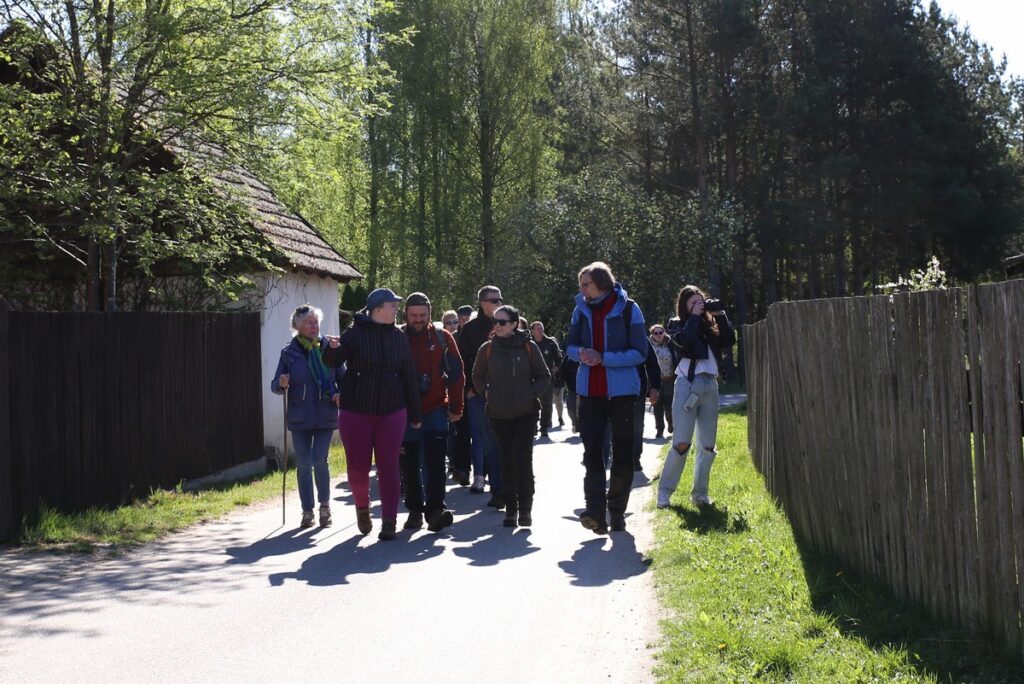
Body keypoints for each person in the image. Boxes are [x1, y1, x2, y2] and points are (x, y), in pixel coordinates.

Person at [323, 288, 422, 541]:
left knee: (389, 466)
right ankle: (362, 507)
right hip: (356, 411)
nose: (396, 309)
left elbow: (409, 374)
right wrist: (332, 349)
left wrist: (415, 411)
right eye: (392, 305)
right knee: (358, 467)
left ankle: (389, 521)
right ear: (378, 309)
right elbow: (332, 362)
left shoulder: (398, 336)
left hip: (392, 410)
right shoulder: (354, 334)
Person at [565, 262, 647, 534]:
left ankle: (616, 512)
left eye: (585, 284)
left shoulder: (628, 309)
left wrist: (604, 359)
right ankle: (596, 514)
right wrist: (582, 354)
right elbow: (570, 347)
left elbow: (640, 352)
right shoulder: (580, 309)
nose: (582, 289)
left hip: (622, 394)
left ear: (601, 282)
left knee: (622, 456)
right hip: (589, 394)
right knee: (592, 455)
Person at [656, 285, 736, 510]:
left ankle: (700, 494)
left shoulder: (710, 326)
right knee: (681, 442)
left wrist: (720, 315)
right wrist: (692, 317)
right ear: (684, 307)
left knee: (708, 445)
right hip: (687, 385)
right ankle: (664, 492)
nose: (700, 307)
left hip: (710, 384)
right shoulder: (676, 325)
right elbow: (684, 342)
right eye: (694, 303)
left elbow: (729, 340)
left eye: (701, 302)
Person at [472, 305, 550, 527]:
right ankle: (511, 509)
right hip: (498, 414)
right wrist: (486, 393)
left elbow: (543, 376)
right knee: (505, 460)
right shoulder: (487, 349)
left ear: (515, 324)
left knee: (523, 460)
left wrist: (530, 393)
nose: (497, 325)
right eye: (495, 322)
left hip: (526, 413)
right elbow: (477, 376)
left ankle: (525, 509)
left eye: (502, 322)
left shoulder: (528, 347)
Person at [271, 304, 345, 528]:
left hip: (325, 412)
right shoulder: (288, 352)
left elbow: (344, 378)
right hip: (299, 415)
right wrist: (281, 383)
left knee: (319, 460)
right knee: (303, 464)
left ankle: (324, 507)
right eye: (309, 323)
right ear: (298, 327)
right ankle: (307, 511)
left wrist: (341, 393)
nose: (314, 326)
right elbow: (275, 385)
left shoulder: (329, 348)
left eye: (316, 322)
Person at [400, 293, 465, 533]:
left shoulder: (443, 337)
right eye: (413, 315)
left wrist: (456, 407)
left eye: (422, 315)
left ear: (430, 312)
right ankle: (415, 511)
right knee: (409, 464)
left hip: (436, 409)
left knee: (435, 463)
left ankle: (436, 509)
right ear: (405, 313)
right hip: (404, 413)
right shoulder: (397, 337)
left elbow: (457, 374)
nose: (417, 320)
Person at [459, 286, 505, 506]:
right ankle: (495, 489)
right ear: (482, 303)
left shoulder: (507, 323)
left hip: (506, 392)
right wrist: (468, 388)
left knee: (504, 441)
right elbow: (463, 361)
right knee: (487, 440)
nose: (498, 303)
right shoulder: (470, 329)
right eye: (493, 300)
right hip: (478, 393)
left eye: (500, 299)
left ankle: (505, 487)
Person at [530, 321, 562, 439]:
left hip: (547, 378)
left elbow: (559, 358)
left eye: (541, 328)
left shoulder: (550, 343)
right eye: (537, 329)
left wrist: (555, 368)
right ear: (532, 330)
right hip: (531, 378)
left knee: (547, 404)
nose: (540, 331)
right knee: (531, 404)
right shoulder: (528, 343)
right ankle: (533, 427)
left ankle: (544, 428)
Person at [649, 324, 680, 439]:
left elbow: (676, 359)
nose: (658, 335)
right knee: (657, 406)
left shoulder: (670, 344)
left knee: (670, 405)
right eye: (655, 333)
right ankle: (659, 430)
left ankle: (671, 424)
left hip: (669, 380)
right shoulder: (649, 346)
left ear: (664, 333)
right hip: (655, 382)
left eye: (660, 332)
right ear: (652, 335)